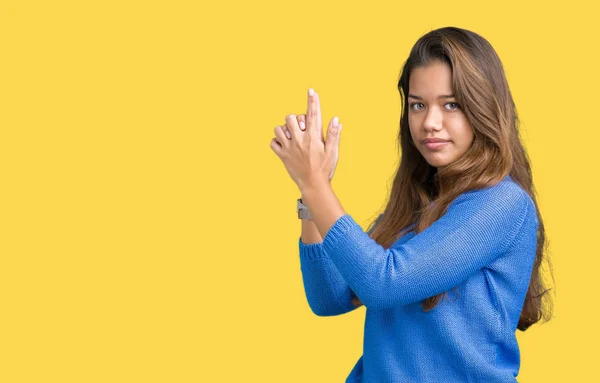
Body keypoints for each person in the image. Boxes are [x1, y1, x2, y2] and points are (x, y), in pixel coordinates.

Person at [269, 26, 554, 383]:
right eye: (418, 105)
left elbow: (382, 282)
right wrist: (310, 195)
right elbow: (330, 298)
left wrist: (316, 186)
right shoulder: (418, 200)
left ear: (484, 107)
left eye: (451, 104)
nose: (430, 123)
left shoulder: (502, 204)